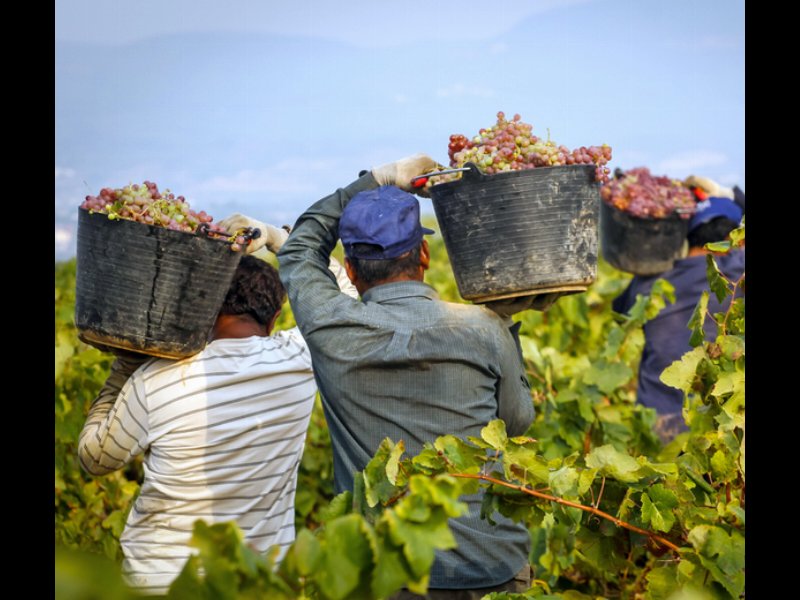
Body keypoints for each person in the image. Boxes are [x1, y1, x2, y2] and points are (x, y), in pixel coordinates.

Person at [225, 154, 537, 596]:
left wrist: (380, 178)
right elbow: (517, 423)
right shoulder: (484, 327)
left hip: (386, 579)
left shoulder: (330, 328)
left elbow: (301, 247)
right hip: (491, 570)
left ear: (349, 271)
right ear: (424, 254)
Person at [77, 252, 350, 595]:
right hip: (257, 583)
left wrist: (123, 371)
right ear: (275, 317)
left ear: (205, 308)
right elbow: (345, 297)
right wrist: (285, 240)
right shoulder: (299, 358)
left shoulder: (156, 379)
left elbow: (94, 458)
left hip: (162, 584)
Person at [612, 177, 744, 443]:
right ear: (734, 238)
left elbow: (620, 313)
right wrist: (730, 195)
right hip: (721, 426)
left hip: (658, 426)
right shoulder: (736, 271)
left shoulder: (650, 280)